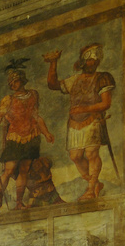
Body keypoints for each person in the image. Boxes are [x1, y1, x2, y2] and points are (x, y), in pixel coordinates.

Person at [44, 43, 116, 200]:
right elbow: (52, 84)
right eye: (90, 60)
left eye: (96, 61)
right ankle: (95, 183)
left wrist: (84, 109)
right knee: (75, 156)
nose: (93, 63)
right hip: (74, 123)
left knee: (91, 153)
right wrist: (53, 63)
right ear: (83, 62)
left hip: (93, 119)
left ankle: (91, 189)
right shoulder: (74, 80)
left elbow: (106, 103)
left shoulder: (103, 78)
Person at [0, 64, 54, 212]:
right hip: (15, 138)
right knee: (8, 170)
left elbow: (36, 116)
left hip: (31, 137)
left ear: (22, 80)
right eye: (10, 82)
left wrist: (46, 133)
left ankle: (19, 203)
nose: (12, 84)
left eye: (15, 81)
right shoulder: (7, 100)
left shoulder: (33, 95)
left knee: (24, 170)